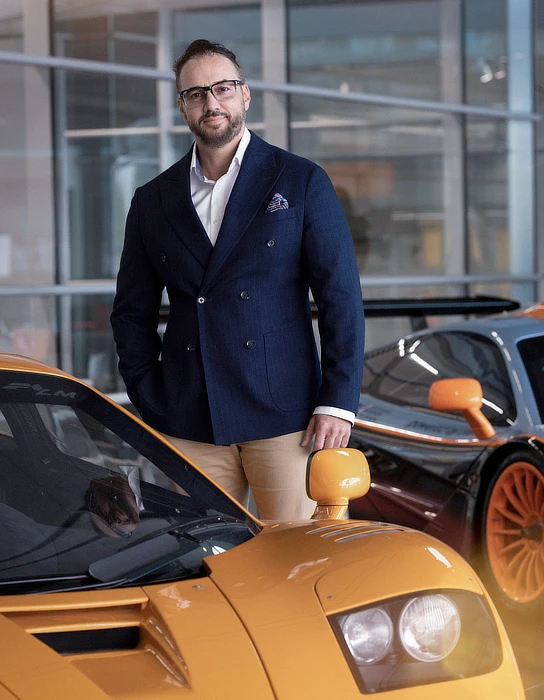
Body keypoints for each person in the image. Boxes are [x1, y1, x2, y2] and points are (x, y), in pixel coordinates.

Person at [110, 39, 365, 521]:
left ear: (244, 94)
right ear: (182, 106)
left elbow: (341, 298)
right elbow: (131, 312)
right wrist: (150, 395)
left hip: (286, 416)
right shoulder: (152, 200)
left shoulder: (300, 180)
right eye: (196, 93)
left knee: (296, 553)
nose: (211, 102)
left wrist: (337, 402)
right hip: (189, 416)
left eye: (222, 88)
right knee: (204, 555)